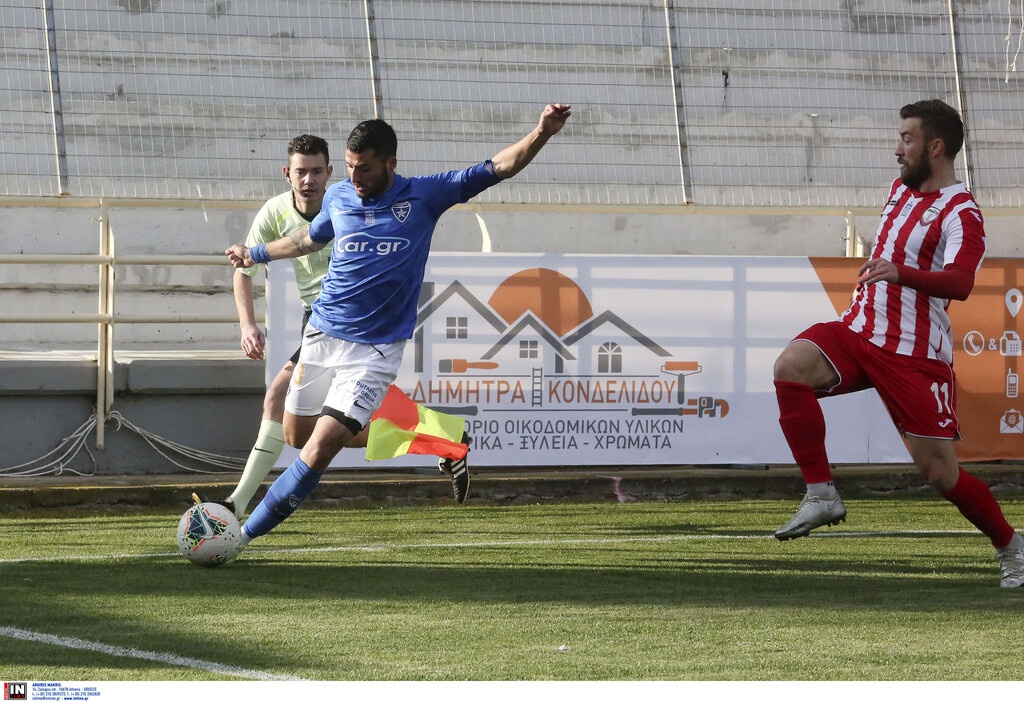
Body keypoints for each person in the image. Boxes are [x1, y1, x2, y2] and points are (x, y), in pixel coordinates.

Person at [225, 103, 571, 550]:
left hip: (374, 351)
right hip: (322, 334)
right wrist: (256, 254)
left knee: (319, 450)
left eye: (364, 168)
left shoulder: (426, 195)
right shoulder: (339, 196)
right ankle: (443, 440)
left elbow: (499, 167)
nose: (354, 178)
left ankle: (241, 536)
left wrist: (541, 132)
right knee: (295, 435)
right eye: (349, 168)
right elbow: (309, 239)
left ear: (391, 162)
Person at [771, 99, 1024, 588]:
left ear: (935, 146)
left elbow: (959, 282)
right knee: (790, 366)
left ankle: (1011, 547)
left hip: (913, 353)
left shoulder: (962, 211)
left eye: (907, 139)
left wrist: (900, 272)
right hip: (859, 330)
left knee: (941, 477)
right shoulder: (899, 190)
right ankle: (821, 492)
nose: (897, 149)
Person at [195, 134, 470, 519]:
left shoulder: (350, 198)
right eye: (300, 172)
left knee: (280, 401)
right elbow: (245, 268)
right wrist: (247, 325)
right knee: (300, 433)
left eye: (316, 172)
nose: (308, 180)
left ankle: (236, 504)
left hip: (355, 323)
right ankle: (439, 437)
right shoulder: (275, 212)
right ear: (286, 174)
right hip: (321, 321)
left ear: (330, 172)